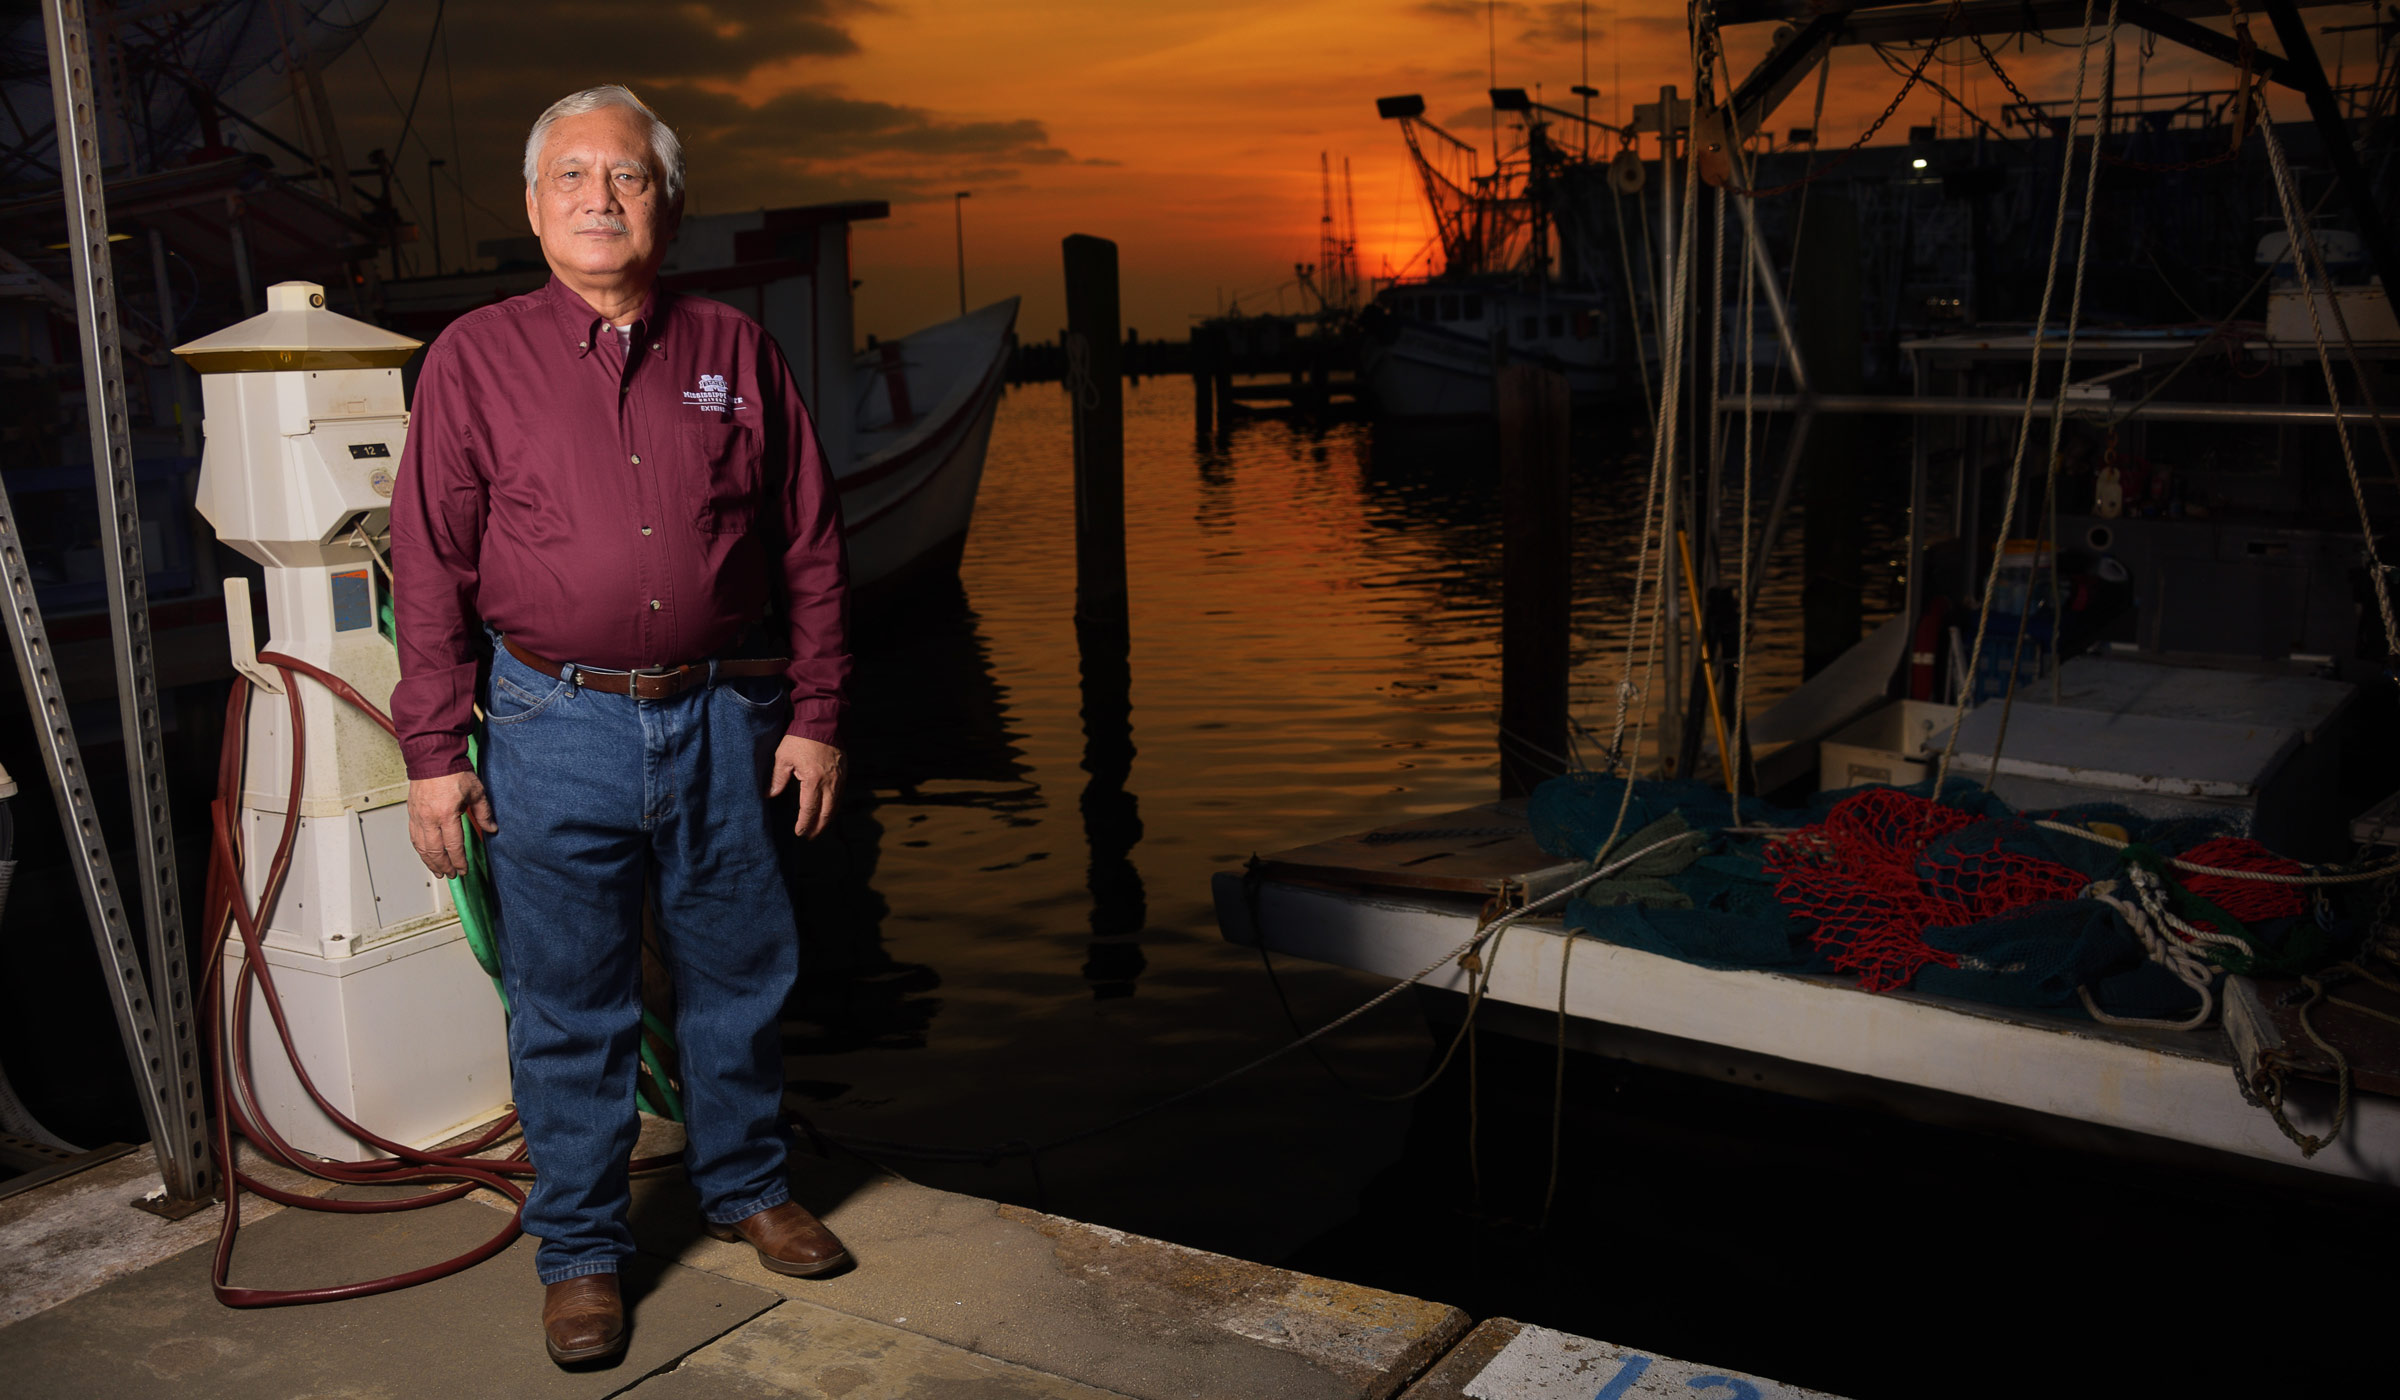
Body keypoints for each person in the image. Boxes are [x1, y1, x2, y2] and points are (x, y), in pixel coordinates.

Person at [391, 84, 852, 1367]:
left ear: (668, 202)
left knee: (738, 973)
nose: (602, 198)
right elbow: (428, 565)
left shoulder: (737, 351)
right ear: (534, 207)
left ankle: (750, 1183)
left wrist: (814, 714)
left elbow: (809, 540)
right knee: (568, 999)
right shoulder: (475, 360)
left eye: (629, 177)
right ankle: (583, 1252)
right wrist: (433, 750)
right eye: (574, 178)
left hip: (721, 716)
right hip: (550, 715)